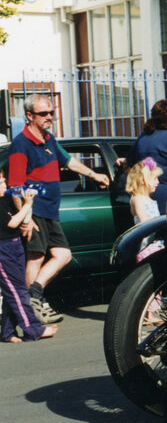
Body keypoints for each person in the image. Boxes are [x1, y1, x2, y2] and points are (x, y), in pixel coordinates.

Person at [8, 94, 110, 324]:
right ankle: (32, 307)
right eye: (43, 113)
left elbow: (69, 162)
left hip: (50, 212)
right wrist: (25, 217)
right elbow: (15, 185)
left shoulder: (49, 139)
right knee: (36, 256)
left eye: (52, 112)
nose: (49, 117)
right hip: (35, 211)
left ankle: (34, 293)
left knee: (63, 255)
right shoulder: (21, 145)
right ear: (29, 116)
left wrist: (94, 174)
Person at [0, 172, 56, 342]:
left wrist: (25, 201)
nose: (4, 185)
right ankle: (33, 329)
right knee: (18, 291)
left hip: (15, 245)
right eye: (0, 182)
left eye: (4, 181)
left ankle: (8, 332)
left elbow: (22, 217)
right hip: (3, 250)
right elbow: (12, 223)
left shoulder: (5, 200)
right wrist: (28, 203)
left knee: (14, 291)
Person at [126, 157, 162, 224]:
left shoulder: (148, 198)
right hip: (147, 233)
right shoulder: (137, 199)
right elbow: (144, 220)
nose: (158, 182)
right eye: (155, 179)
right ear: (142, 180)